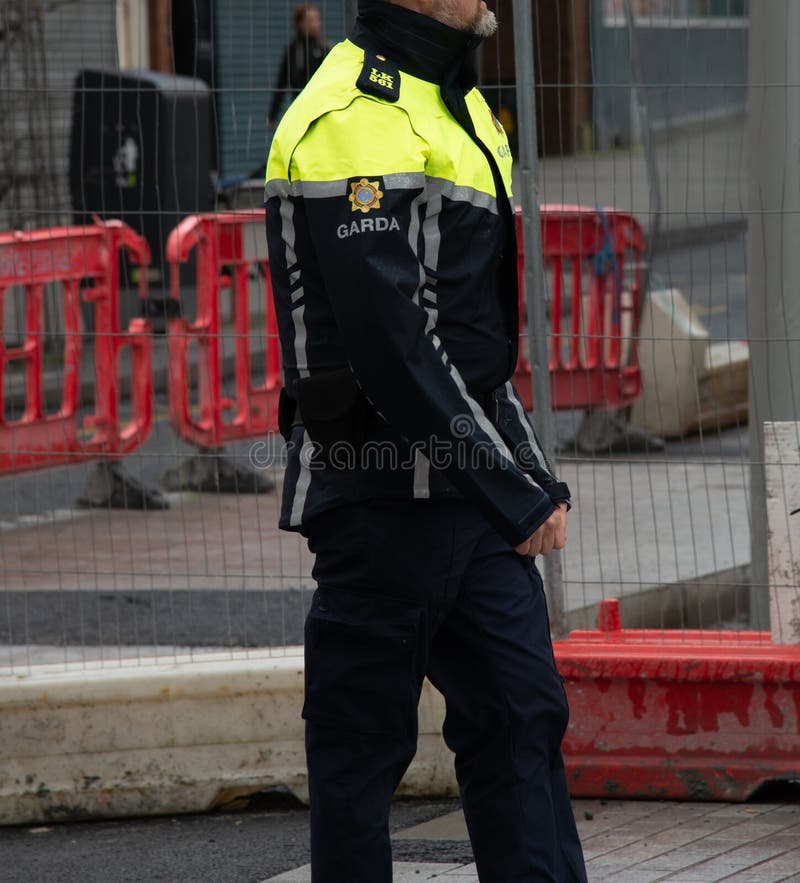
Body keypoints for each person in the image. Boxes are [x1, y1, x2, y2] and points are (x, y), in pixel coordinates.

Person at [264, 1, 588, 880]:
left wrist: (526, 474)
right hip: (372, 498)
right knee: (360, 756)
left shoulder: (458, 99)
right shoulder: (344, 115)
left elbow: (478, 349)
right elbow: (394, 350)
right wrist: (512, 491)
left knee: (524, 715)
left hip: (469, 504)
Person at [268, 4, 329, 128]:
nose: (316, 24)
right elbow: (281, 84)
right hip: (301, 110)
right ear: (300, 23)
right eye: (311, 20)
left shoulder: (325, 49)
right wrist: (272, 116)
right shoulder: (292, 50)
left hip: (323, 109)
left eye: (318, 19)